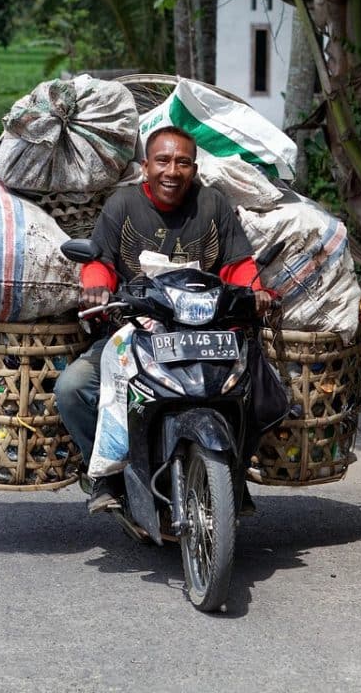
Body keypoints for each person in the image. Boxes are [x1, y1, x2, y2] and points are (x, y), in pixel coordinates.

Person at [55, 124, 273, 514]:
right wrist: (97, 288)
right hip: (135, 332)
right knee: (73, 388)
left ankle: (231, 477)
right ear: (145, 166)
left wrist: (254, 290)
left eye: (183, 163)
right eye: (164, 161)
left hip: (206, 334)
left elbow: (238, 263)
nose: (172, 171)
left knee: (256, 389)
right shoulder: (122, 205)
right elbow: (99, 262)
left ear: (194, 168)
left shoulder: (213, 204)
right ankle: (109, 475)